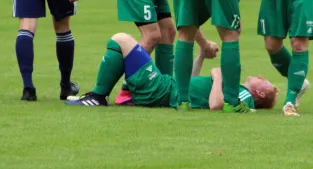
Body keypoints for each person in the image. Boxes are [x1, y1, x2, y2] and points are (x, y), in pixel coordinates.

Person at [114, 0, 218, 106]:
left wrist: (203, 44)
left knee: (168, 31)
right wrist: (204, 44)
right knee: (152, 35)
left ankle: (164, 88)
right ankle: (126, 91)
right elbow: (186, 17)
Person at [65, 32, 278, 111]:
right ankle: (122, 95)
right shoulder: (236, 88)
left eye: (265, 82)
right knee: (127, 42)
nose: (261, 77)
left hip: (161, 90)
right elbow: (190, 84)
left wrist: (219, 76)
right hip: (166, 87)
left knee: (121, 39)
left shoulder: (243, 95)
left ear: (258, 94)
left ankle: (97, 97)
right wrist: (202, 54)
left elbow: (216, 105)